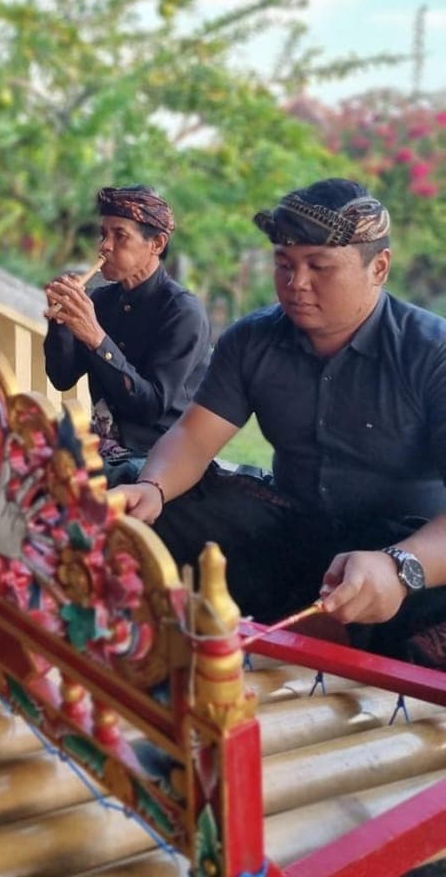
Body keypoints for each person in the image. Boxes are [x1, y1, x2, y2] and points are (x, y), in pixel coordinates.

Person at [116, 178, 446, 667]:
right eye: (285, 265)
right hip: (297, 528)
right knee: (136, 493)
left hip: (409, 550)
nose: (297, 284)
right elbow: (192, 436)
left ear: (379, 267)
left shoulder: (431, 352)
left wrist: (402, 568)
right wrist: (154, 487)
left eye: (319, 267)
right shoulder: (252, 340)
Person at [43, 185, 211, 487]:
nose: (104, 246)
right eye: (103, 234)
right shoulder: (102, 301)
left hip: (157, 460)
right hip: (106, 451)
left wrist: (96, 337)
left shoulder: (183, 312)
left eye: (119, 235)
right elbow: (62, 378)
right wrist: (61, 320)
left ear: (156, 244)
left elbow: (150, 408)